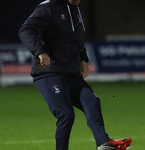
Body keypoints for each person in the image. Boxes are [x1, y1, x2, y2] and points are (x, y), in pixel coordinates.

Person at [19, 0, 132, 149]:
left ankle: (103, 143)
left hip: (71, 73)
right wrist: (39, 51)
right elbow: (26, 29)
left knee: (92, 102)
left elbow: (76, 39)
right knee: (66, 114)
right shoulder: (49, 7)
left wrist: (83, 59)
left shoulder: (78, 9)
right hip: (49, 73)